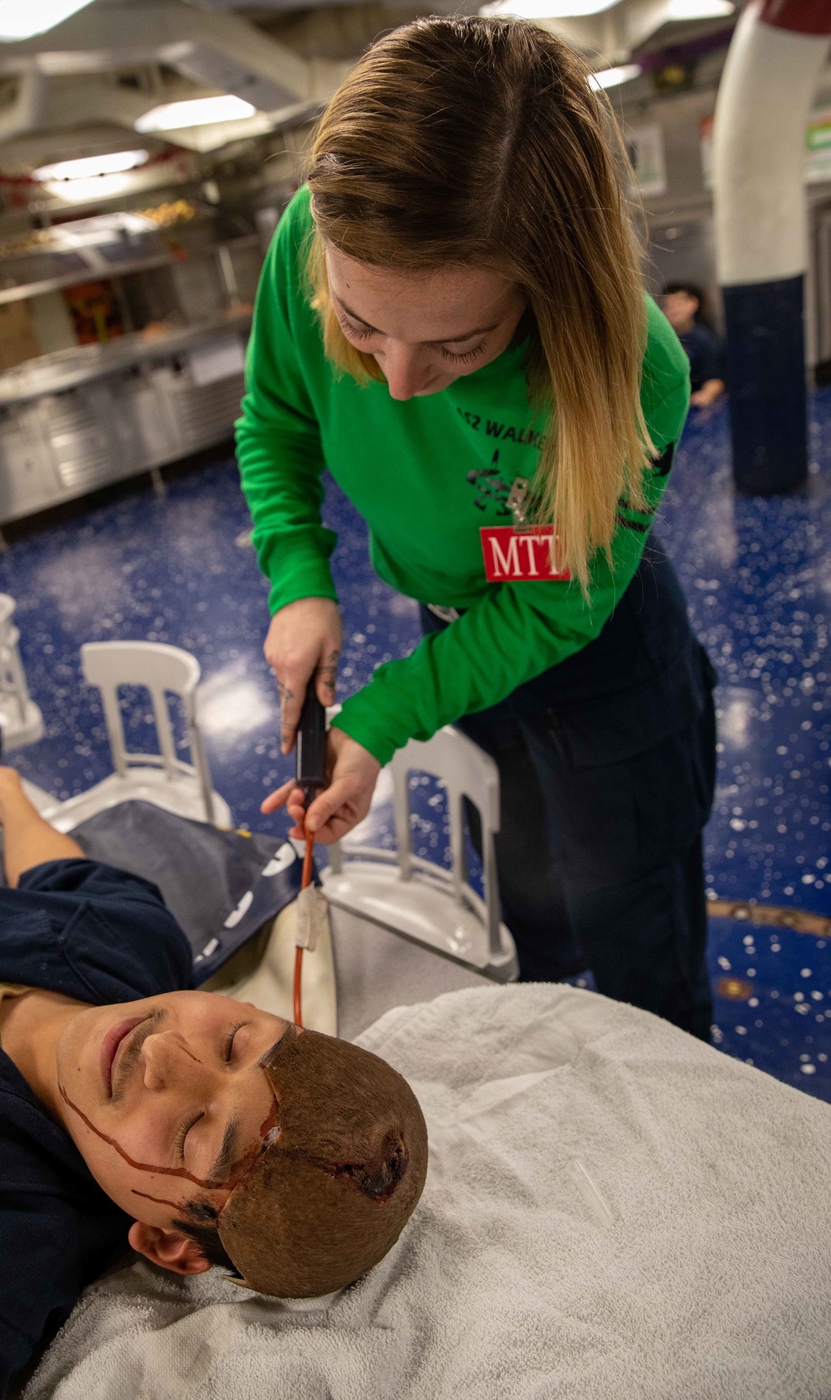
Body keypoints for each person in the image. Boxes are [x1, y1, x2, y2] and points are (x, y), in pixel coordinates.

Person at [237, 16, 717, 1040]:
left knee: (636, 930)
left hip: (597, 648)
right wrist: (298, 575)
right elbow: (275, 420)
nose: (398, 384)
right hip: (452, 631)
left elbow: (551, 606)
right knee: (526, 905)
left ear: (547, 294)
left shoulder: (638, 370)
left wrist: (379, 716)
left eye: (461, 343)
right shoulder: (308, 240)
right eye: (360, 325)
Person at [0, 762, 428, 1400]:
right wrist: (10, 800)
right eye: (232, 1043)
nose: (165, 1052)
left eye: (195, 1131)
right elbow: (56, 876)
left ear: (167, 1242)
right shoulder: (130, 936)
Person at [660, 283, 726, 408]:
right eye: (667, 305)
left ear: (693, 303)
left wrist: (706, 394)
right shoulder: (660, 341)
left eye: (678, 303)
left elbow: (715, 379)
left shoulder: (704, 340)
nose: (672, 309)